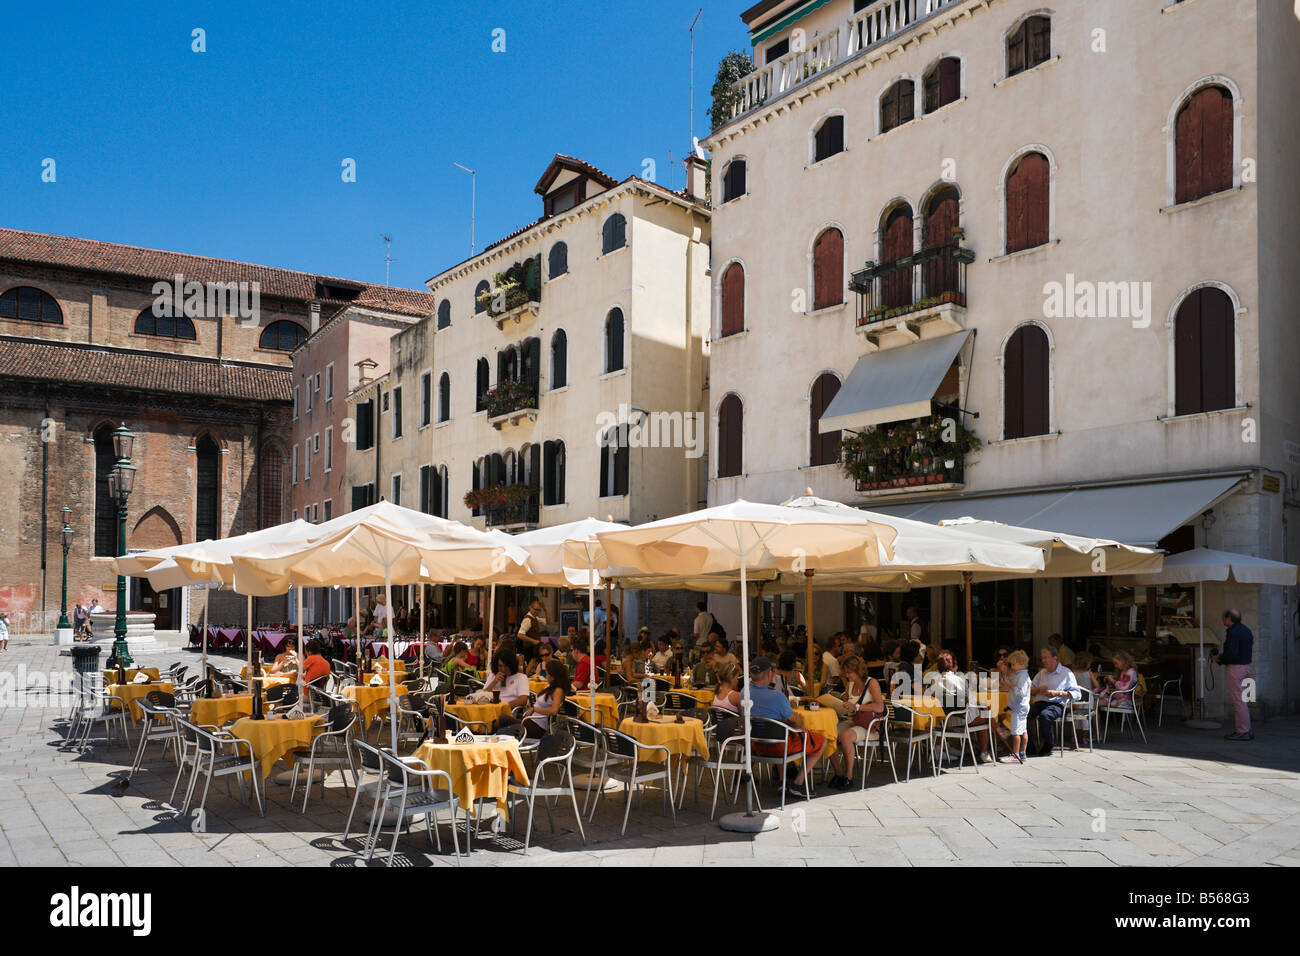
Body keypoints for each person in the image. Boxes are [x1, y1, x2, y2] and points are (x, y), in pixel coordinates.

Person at [747, 657, 826, 797]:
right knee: (821, 740)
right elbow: (791, 718)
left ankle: (783, 782)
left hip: (755, 746)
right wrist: (796, 720)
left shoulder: (744, 693)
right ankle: (798, 782)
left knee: (780, 733)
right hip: (779, 747)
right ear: (770, 673)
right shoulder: (777, 696)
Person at [826, 655, 885, 789]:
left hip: (869, 725)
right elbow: (847, 706)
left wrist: (857, 707)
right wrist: (840, 704)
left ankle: (849, 776)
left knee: (846, 736)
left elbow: (879, 707)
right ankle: (838, 773)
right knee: (828, 733)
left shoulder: (872, 683)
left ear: (858, 671)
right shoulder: (850, 684)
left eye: (849, 672)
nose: (846, 675)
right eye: (845, 672)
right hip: (854, 720)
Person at [1028, 645, 1081, 756]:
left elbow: (1077, 694)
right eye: (1042, 658)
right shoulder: (1042, 673)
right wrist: (1038, 689)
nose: (1043, 660)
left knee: (1045, 715)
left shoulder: (1066, 673)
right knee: (1023, 714)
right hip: (1040, 702)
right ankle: (1030, 745)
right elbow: (1030, 690)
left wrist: (1058, 693)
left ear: (1055, 658)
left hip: (1057, 704)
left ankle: (1048, 745)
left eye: (1046, 657)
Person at [1212, 609, 1254, 741]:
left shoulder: (1233, 632)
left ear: (1229, 618)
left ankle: (1243, 731)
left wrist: (1219, 659)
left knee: (1238, 701)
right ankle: (1246, 729)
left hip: (1236, 669)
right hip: (1246, 667)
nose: (1222, 620)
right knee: (1243, 700)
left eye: (1223, 618)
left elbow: (1232, 653)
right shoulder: (1246, 630)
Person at [515, 660, 572, 737]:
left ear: (553, 676)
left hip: (537, 726)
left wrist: (534, 709)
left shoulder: (558, 690)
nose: (546, 676)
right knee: (504, 722)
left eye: (547, 674)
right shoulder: (551, 687)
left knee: (504, 720)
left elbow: (554, 711)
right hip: (531, 721)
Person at [482, 650, 530, 719]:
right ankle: (470, 729)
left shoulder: (521, 677)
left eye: (506, 666)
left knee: (479, 721)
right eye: (500, 666)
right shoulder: (493, 676)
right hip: (488, 710)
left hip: (505, 714)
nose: (503, 669)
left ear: (512, 665)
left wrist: (503, 707)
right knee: (469, 718)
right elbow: (483, 695)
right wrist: (494, 682)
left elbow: (523, 700)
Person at [1005, 649, 1032, 763]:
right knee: (1023, 730)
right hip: (1022, 706)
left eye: (1013, 664)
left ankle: (1016, 755)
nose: (1012, 666)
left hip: (1018, 707)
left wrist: (1010, 685)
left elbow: (1021, 693)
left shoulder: (1023, 677)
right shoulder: (1019, 674)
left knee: (1016, 732)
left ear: (1021, 664)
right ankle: (1022, 753)